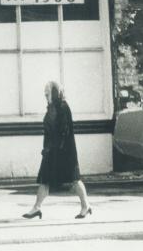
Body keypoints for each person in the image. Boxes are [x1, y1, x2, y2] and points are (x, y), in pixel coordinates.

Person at [22, 81, 92, 220]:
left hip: (64, 152)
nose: (45, 95)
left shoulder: (63, 107)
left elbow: (64, 131)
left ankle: (86, 206)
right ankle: (36, 208)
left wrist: (55, 147)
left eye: (47, 92)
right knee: (45, 179)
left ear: (55, 92)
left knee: (74, 179)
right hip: (52, 152)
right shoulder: (52, 107)